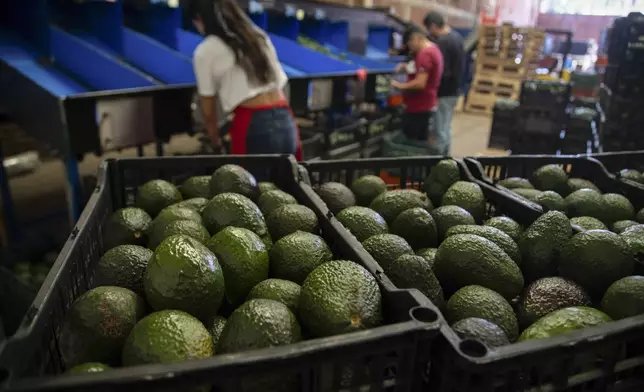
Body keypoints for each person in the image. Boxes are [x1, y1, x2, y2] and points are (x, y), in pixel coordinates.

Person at [186, 0, 301, 159]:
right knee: (287, 180)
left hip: (252, 123)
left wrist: (216, 143)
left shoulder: (205, 51)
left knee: (249, 183)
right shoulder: (257, 37)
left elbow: (208, 112)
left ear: (199, 19)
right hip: (285, 117)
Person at [392, 27, 444, 145]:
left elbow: (420, 84)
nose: (410, 47)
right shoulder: (434, 49)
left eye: (410, 43)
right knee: (422, 140)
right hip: (427, 104)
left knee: (413, 142)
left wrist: (399, 86)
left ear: (416, 39)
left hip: (418, 107)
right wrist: (407, 66)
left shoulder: (425, 54)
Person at [424, 11, 465, 156]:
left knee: (440, 129)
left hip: (445, 92)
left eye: (430, 29)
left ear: (434, 26)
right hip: (454, 91)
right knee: (446, 127)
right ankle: (447, 159)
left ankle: (438, 164)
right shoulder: (457, 38)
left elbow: (443, 71)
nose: (431, 34)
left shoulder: (444, 42)